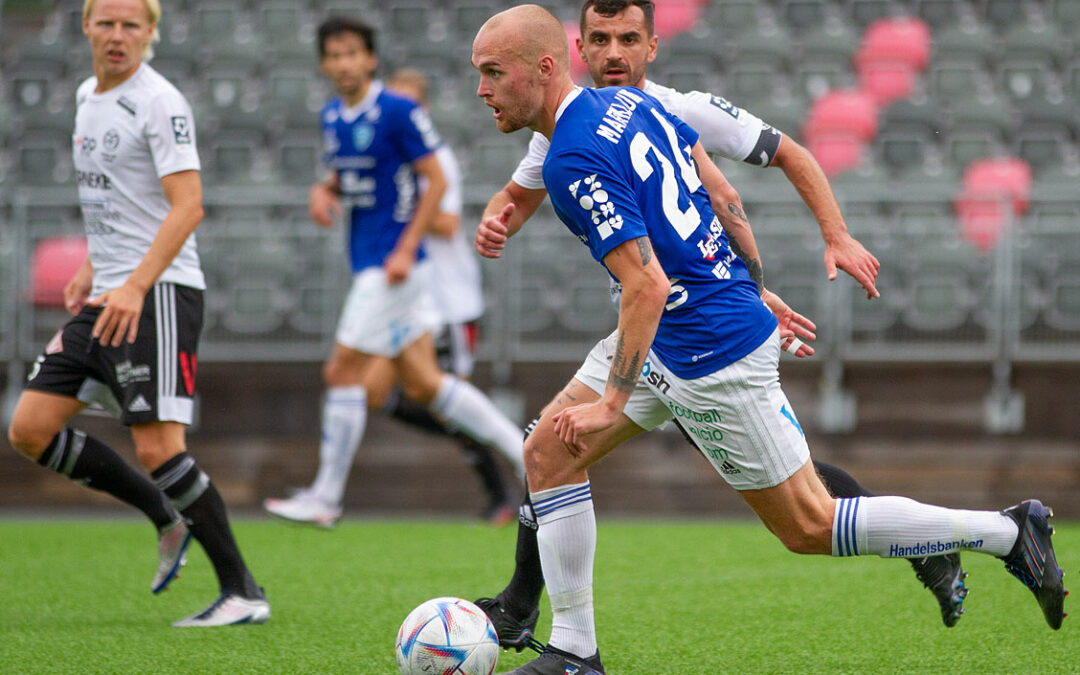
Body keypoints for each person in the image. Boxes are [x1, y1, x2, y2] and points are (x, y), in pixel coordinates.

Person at [470, 6, 1066, 673]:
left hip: (707, 350)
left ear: (545, 67)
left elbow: (647, 286)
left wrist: (612, 401)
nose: (482, 89)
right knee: (548, 450)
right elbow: (715, 195)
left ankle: (1009, 532)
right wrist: (745, 282)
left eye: (493, 73)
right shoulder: (632, 108)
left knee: (810, 526)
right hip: (673, 332)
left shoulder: (574, 155)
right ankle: (575, 651)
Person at [6, 0, 269, 627]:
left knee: (159, 446)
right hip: (110, 291)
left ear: (151, 33)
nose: (118, 35)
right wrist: (96, 268)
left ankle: (244, 592)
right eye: (107, 22)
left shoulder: (160, 101)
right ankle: (164, 515)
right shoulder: (85, 96)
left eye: (132, 25)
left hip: (159, 294)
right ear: (86, 27)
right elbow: (123, 203)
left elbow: (188, 206)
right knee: (30, 429)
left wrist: (133, 285)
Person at [262, 17, 525, 528]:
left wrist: (406, 249)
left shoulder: (399, 110)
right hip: (372, 261)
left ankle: (326, 497)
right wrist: (324, 191)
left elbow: (432, 180)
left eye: (351, 53)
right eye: (333, 55)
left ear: (370, 58)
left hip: (391, 266)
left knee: (341, 370)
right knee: (426, 384)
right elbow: (349, 171)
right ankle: (522, 451)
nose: (343, 64)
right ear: (324, 63)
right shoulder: (334, 116)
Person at [384, 67, 517, 526]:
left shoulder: (433, 158)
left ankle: (504, 489)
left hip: (453, 300)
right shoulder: (389, 159)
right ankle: (503, 478)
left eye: (410, 102)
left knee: (449, 398)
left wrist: (393, 212)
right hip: (415, 299)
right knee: (388, 395)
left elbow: (445, 222)